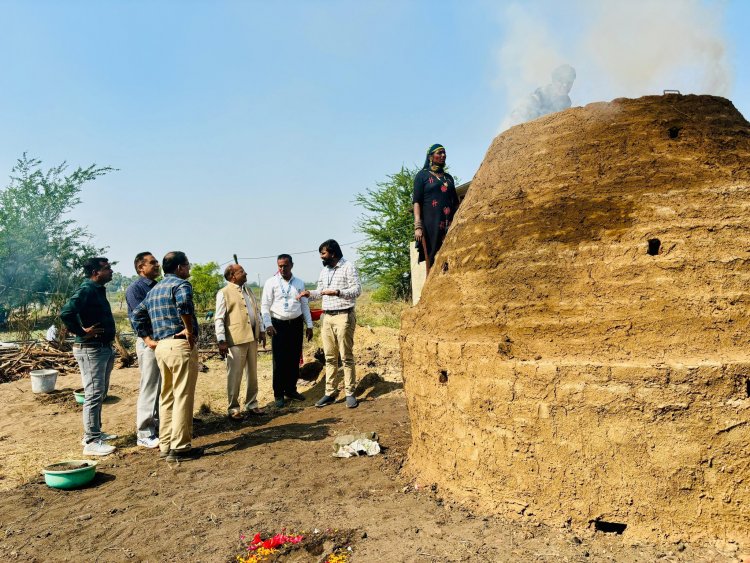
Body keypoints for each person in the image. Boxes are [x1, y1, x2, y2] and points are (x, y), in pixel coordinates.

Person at [132, 251, 203, 462]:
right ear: (180, 268)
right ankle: (181, 446)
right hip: (179, 345)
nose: (189, 269)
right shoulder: (181, 285)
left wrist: (148, 340)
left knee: (167, 396)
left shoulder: (154, 291)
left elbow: (137, 316)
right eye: (187, 265)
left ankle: (165, 445)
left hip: (161, 347)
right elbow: (184, 305)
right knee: (182, 395)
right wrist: (189, 330)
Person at [60, 257, 118, 456]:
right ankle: (91, 441)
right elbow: (66, 312)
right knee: (93, 393)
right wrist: (82, 332)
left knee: (100, 393)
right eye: (107, 268)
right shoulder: (86, 289)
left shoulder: (97, 290)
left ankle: (95, 433)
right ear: (95, 272)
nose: (111, 271)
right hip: (91, 348)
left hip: (102, 347)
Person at [298, 239, 362, 408]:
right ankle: (330, 393)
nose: (321, 257)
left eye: (323, 253)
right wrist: (308, 294)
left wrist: (337, 292)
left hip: (344, 316)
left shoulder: (348, 267)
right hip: (327, 317)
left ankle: (350, 393)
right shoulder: (324, 271)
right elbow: (320, 292)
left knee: (346, 357)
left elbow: (357, 290)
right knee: (330, 357)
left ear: (333, 253)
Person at [261, 254, 313, 408]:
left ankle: (291, 390)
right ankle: (278, 394)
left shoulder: (299, 283)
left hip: (296, 324)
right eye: (280, 266)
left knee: (293, 358)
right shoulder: (271, 282)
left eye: (285, 265)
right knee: (279, 360)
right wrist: (267, 324)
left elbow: (304, 306)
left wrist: (309, 325)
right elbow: (264, 305)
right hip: (278, 325)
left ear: (292, 265)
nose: (282, 269)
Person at [215, 264, 266, 419]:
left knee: (252, 374)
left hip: (252, 337)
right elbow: (219, 318)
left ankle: (252, 404)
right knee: (235, 375)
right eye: (242, 272)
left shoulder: (248, 290)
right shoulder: (223, 293)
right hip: (235, 340)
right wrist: (221, 340)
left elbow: (257, 312)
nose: (245, 274)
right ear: (232, 275)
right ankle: (233, 408)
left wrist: (262, 330)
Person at [125, 252, 162, 449]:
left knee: (162, 386)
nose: (157, 265)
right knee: (149, 386)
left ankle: (158, 426)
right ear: (141, 268)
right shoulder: (136, 289)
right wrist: (147, 339)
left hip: (160, 341)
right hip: (149, 341)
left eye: (157, 262)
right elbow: (137, 317)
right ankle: (144, 432)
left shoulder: (157, 286)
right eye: (153, 263)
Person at [413, 143, 459, 274]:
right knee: (433, 258)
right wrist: (418, 226)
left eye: (444, 153)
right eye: (439, 153)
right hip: (430, 225)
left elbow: (455, 203)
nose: (443, 155)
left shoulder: (448, 178)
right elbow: (416, 201)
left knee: (450, 257)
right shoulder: (422, 176)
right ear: (430, 157)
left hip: (450, 224)